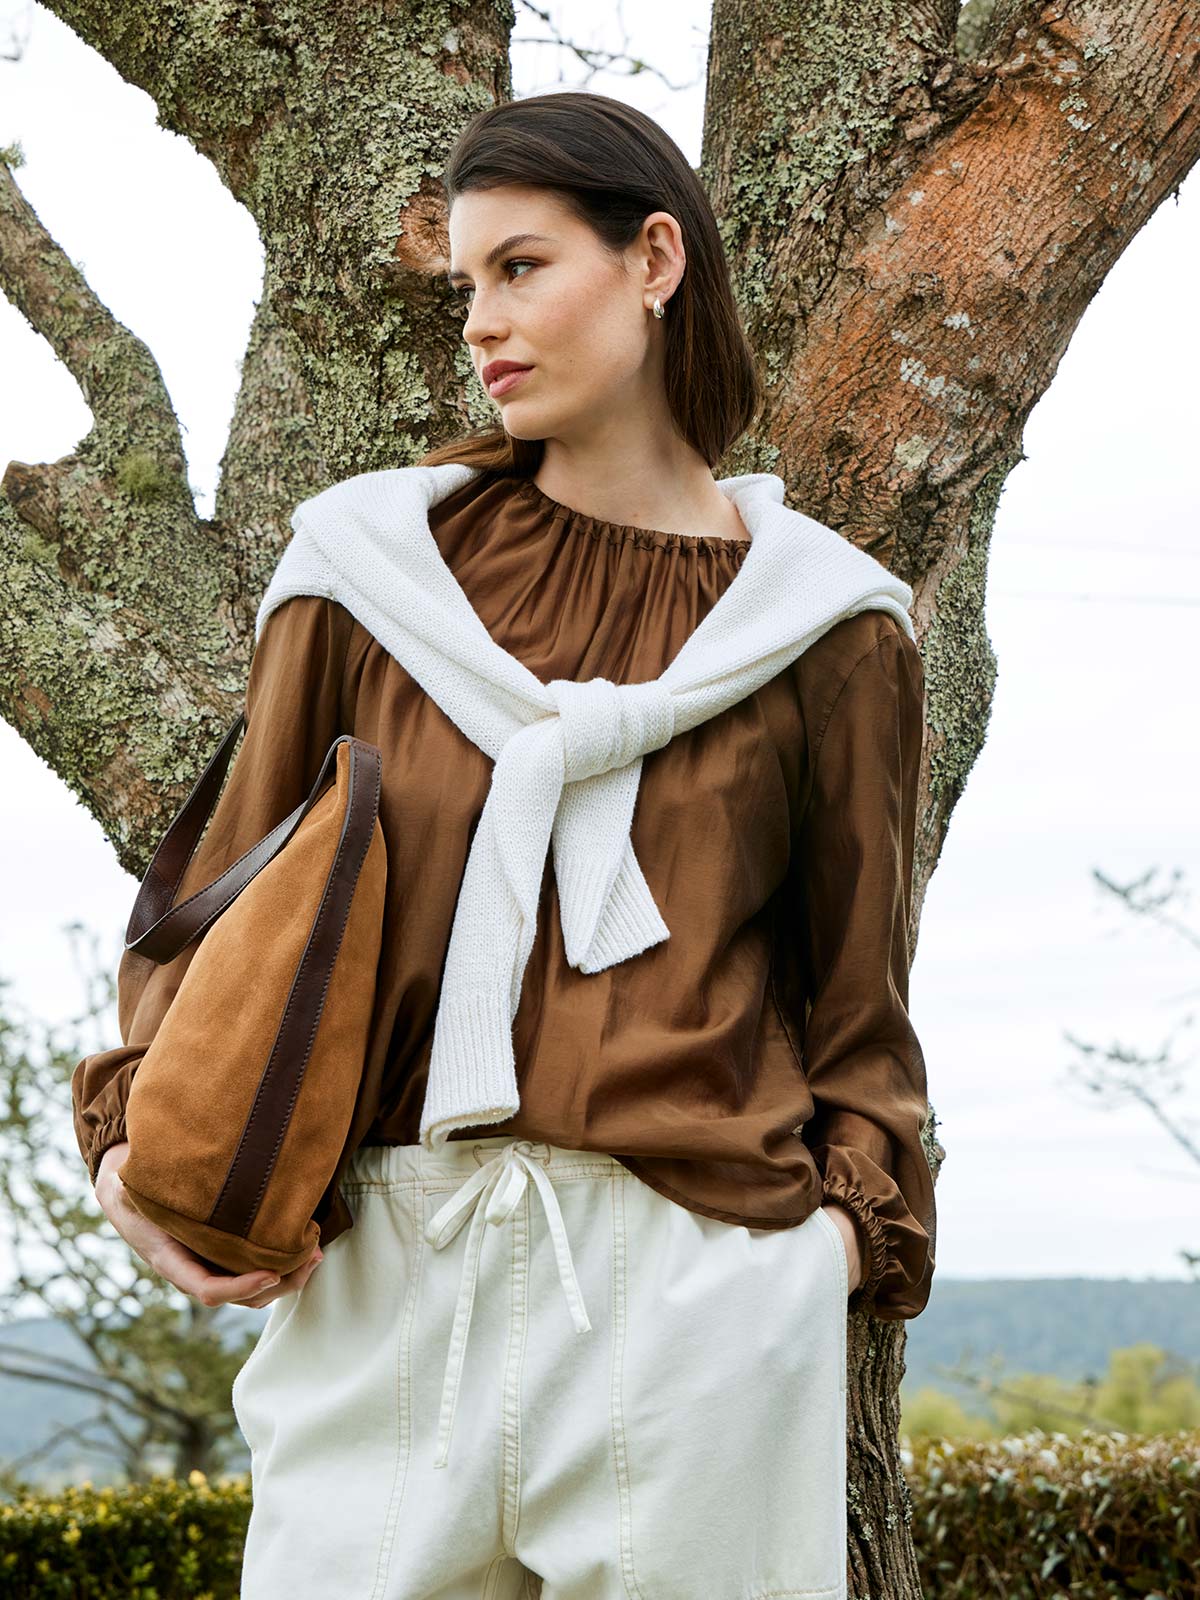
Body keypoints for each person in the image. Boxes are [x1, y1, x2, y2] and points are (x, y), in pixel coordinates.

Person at [73, 90, 935, 1600]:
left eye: (522, 267)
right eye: (469, 282)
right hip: (382, 1275)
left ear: (653, 260)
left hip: (694, 1296)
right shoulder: (365, 573)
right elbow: (214, 912)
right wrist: (133, 1160)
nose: (482, 319)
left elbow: (855, 1007)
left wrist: (827, 1255)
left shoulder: (826, 627)